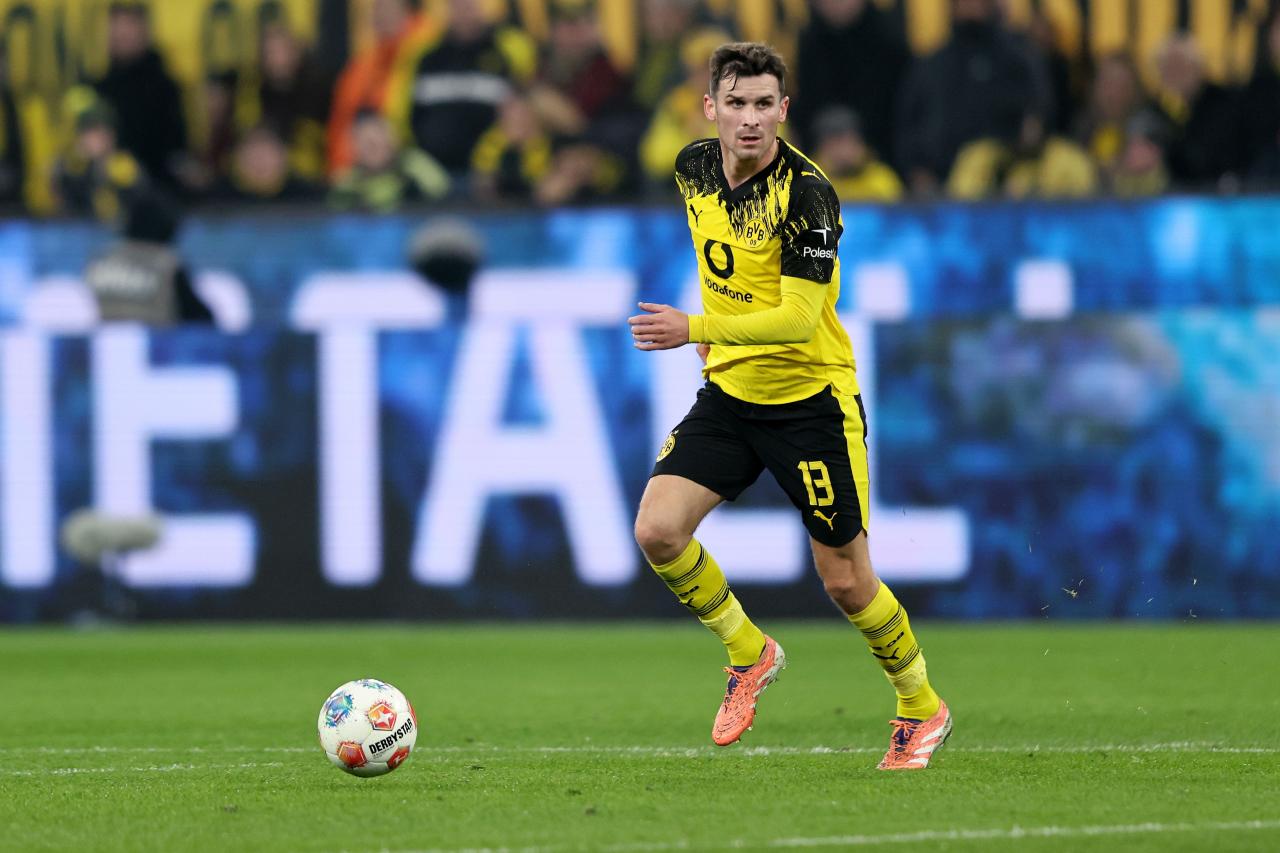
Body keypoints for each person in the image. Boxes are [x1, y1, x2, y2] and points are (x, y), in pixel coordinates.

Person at [627, 42, 951, 770]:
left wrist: (697, 328)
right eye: (735, 103)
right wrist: (716, 342)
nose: (749, 119)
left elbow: (800, 319)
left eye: (763, 104)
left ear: (783, 110)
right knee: (658, 529)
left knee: (846, 580)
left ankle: (921, 705)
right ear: (710, 107)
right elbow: (724, 263)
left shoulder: (808, 196)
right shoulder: (693, 168)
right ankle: (750, 651)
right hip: (732, 394)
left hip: (810, 402)